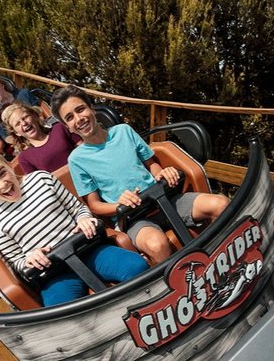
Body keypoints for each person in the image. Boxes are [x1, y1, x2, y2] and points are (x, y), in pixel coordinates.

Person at [52, 85, 229, 264]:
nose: (78, 119)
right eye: (70, 118)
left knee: (220, 203)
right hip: (134, 218)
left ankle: (227, 261)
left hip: (163, 199)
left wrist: (163, 173)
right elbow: (94, 205)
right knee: (157, 245)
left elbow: (151, 164)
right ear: (69, 128)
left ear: (91, 108)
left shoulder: (123, 131)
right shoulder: (77, 159)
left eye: (80, 109)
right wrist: (118, 204)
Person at [0, 150, 149, 306]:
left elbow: (78, 209)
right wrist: (30, 258)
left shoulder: (41, 179)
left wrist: (84, 220)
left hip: (86, 250)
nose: (2, 184)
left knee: (136, 266)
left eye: (2, 173)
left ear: (8, 165)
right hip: (55, 272)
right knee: (63, 311)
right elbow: (16, 261)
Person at [2, 102, 80, 174]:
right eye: (18, 124)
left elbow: (84, 149)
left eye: (25, 117)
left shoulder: (60, 128)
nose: (24, 123)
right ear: (16, 133)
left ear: (35, 116)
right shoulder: (25, 157)